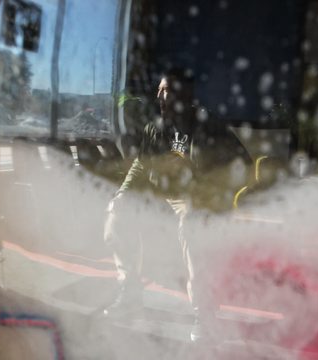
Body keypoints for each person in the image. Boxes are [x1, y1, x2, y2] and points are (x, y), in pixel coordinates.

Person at [101, 68, 250, 342]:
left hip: (196, 198)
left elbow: (239, 168)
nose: (160, 96)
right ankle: (131, 295)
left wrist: (197, 178)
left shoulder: (206, 126)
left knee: (193, 225)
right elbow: (139, 165)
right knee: (117, 214)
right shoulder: (155, 127)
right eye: (159, 90)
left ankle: (204, 313)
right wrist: (123, 194)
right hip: (163, 194)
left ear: (185, 94)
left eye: (166, 90)